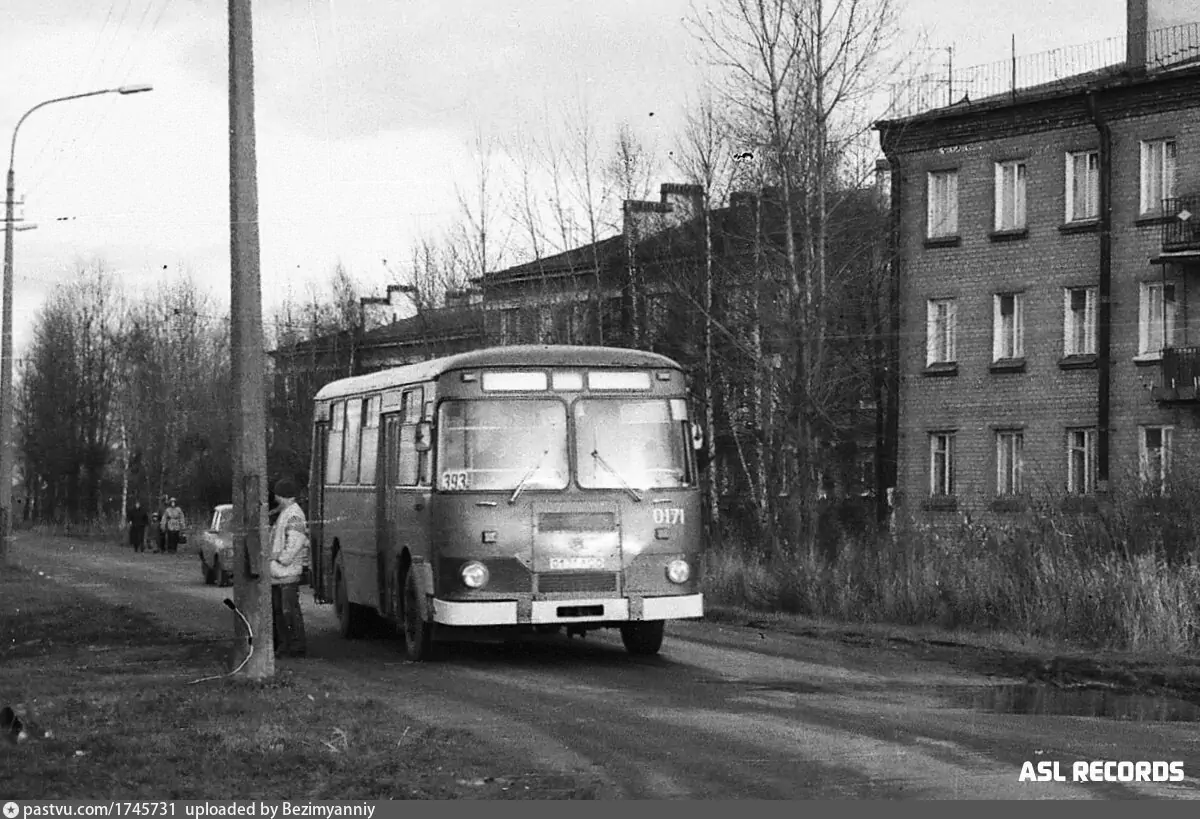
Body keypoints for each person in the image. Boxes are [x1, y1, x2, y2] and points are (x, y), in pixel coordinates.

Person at [269, 477, 308, 659]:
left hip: (287, 572)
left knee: (288, 612)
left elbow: (294, 544)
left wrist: (280, 559)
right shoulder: (287, 513)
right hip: (280, 573)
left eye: (277, 495)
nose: (275, 498)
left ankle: (295, 645)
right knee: (282, 612)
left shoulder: (294, 515)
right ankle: (286, 645)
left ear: (283, 496)